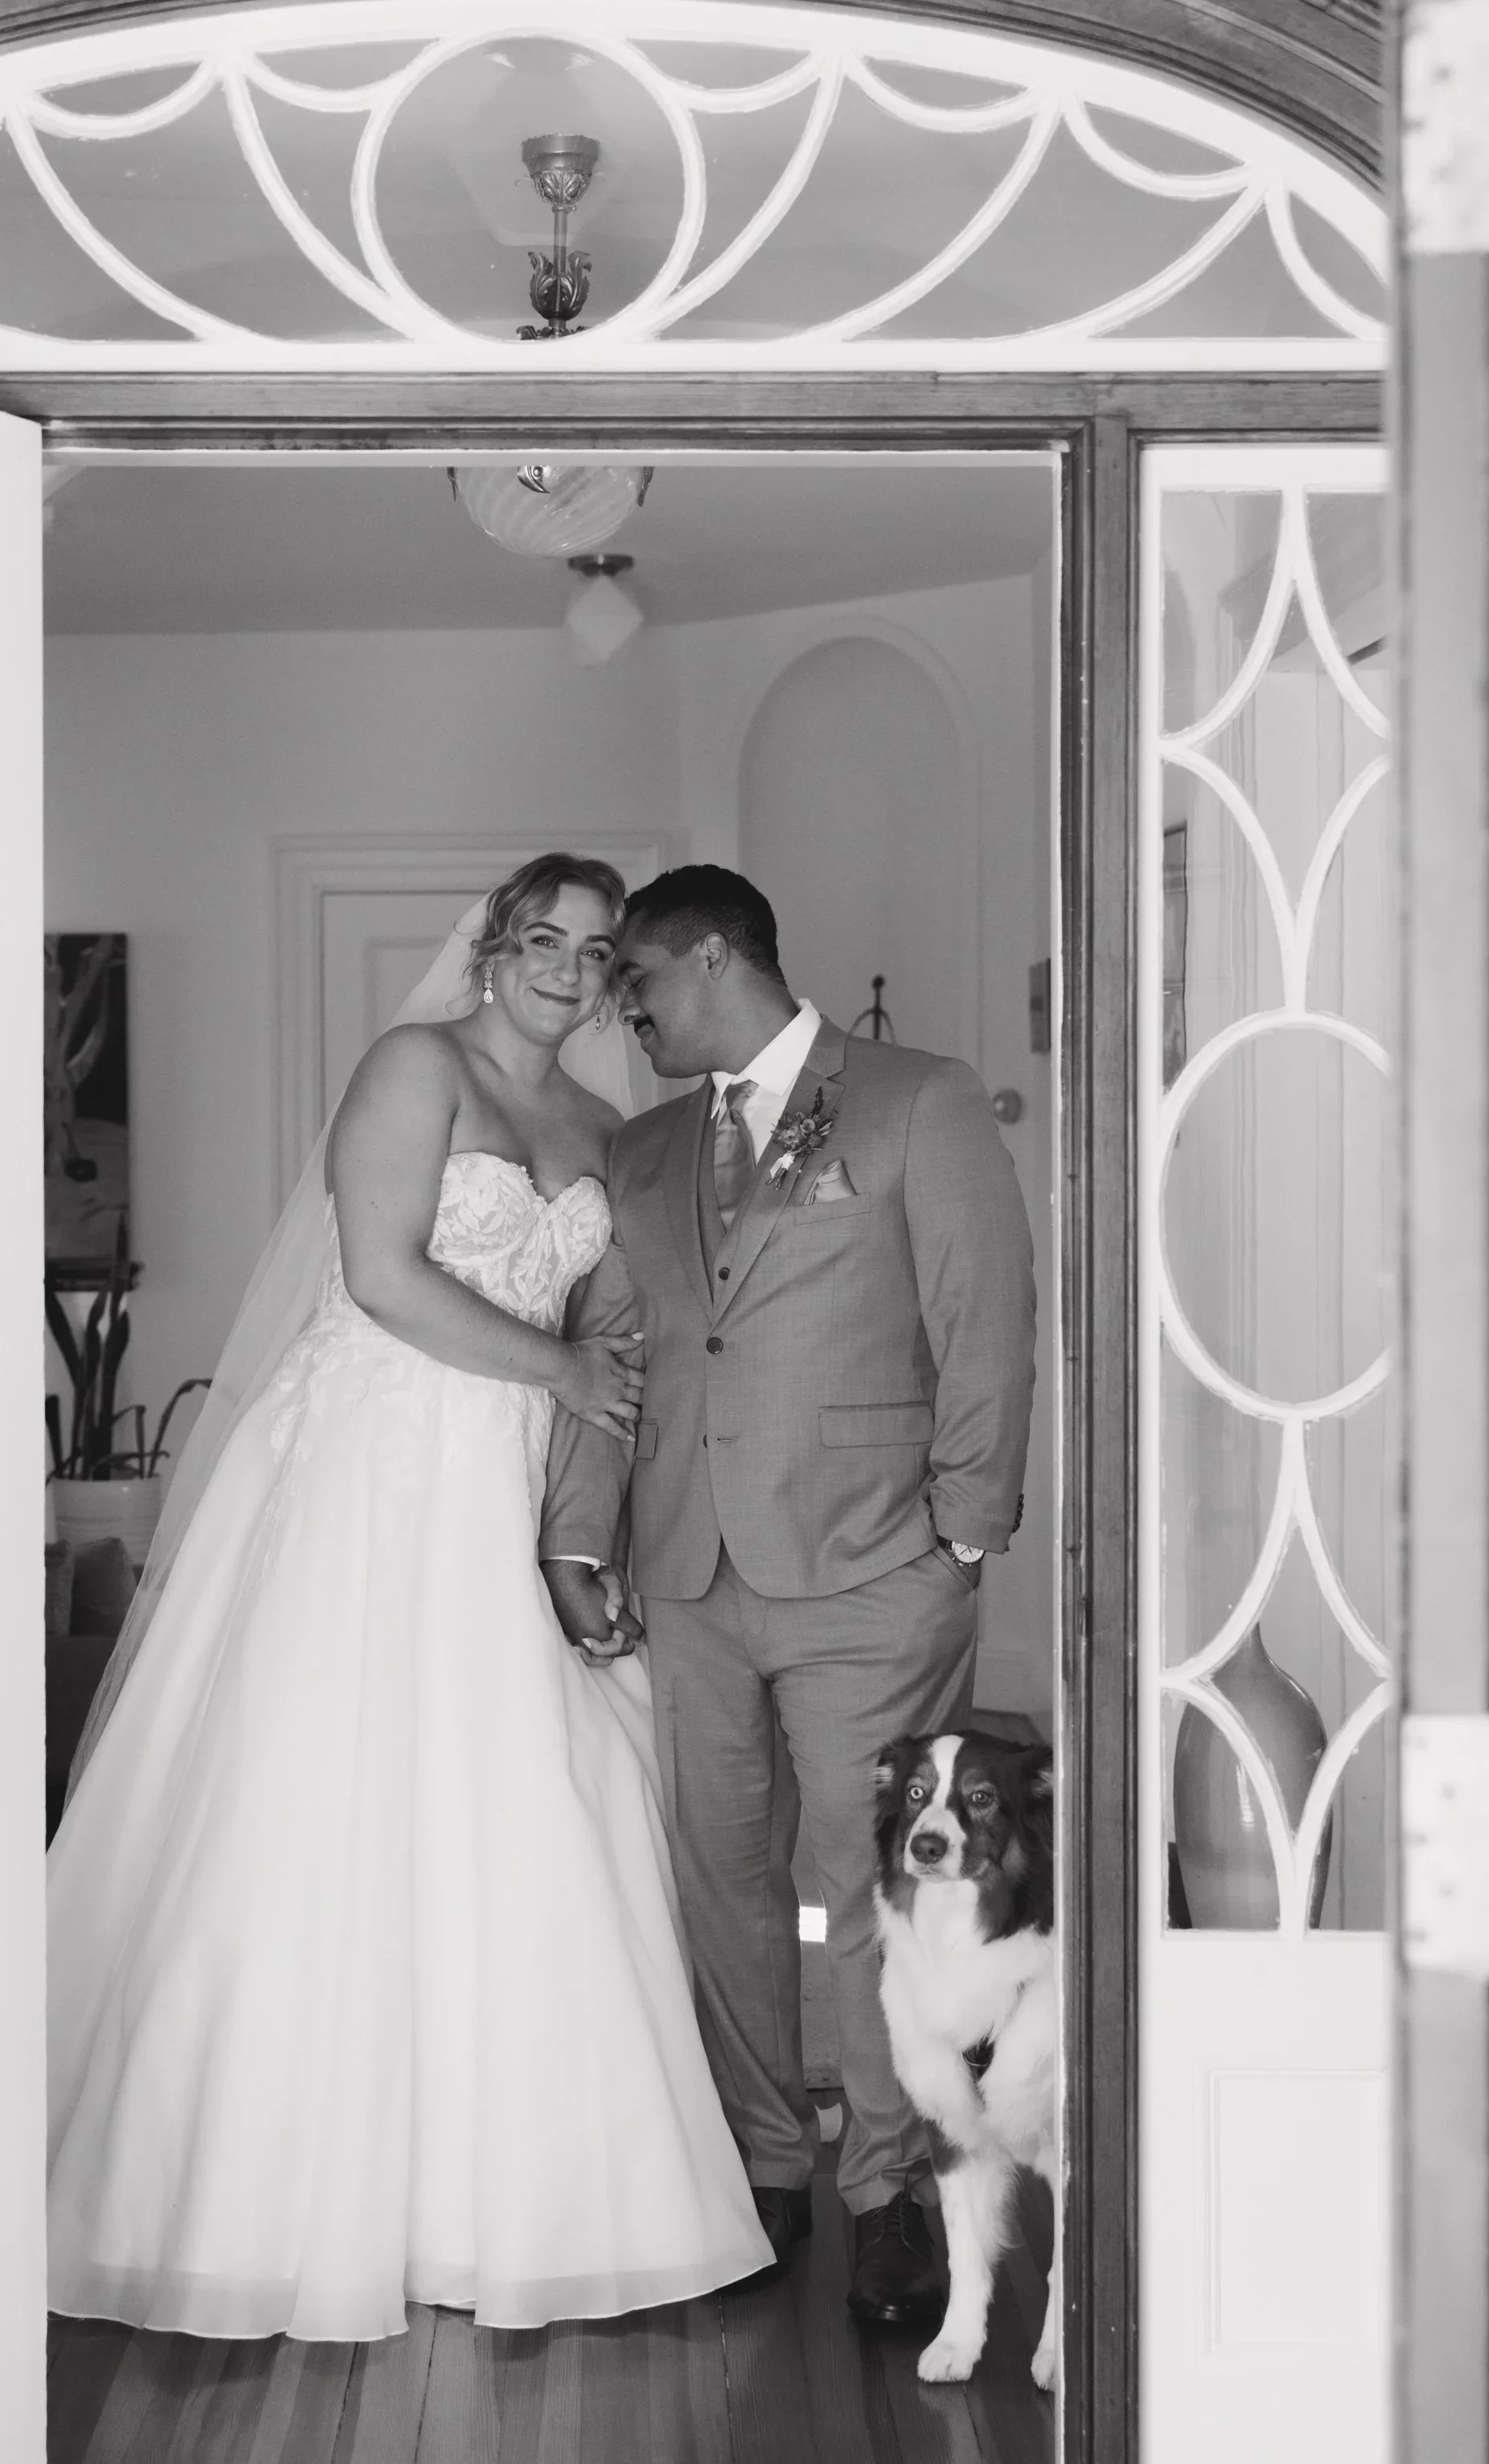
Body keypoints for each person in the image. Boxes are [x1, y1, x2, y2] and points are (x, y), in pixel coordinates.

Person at [46, 854, 772, 2343]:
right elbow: (379, 1276)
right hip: (377, 1461)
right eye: (545, 939)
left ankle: (533, 2197)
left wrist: (598, 1477)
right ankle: (258, 2196)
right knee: (323, 1789)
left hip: (511, 1471)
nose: (571, 968)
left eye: (596, 952)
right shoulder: (412, 1066)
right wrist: (569, 1369)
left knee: (524, 1792)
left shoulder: (612, 1126)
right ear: (493, 946)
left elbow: (623, 1315)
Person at [541, 864, 1036, 2327]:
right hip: (686, 1574)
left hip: (872, 1575)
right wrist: (583, 1542)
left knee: (872, 1898)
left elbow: (987, 1326)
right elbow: (612, 1365)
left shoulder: (913, 1100)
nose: (620, 1011)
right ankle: (766, 2165)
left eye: (636, 980)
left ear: (711, 957)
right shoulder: (637, 1156)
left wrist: (961, 1540)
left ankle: (889, 2195)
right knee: (721, 1887)